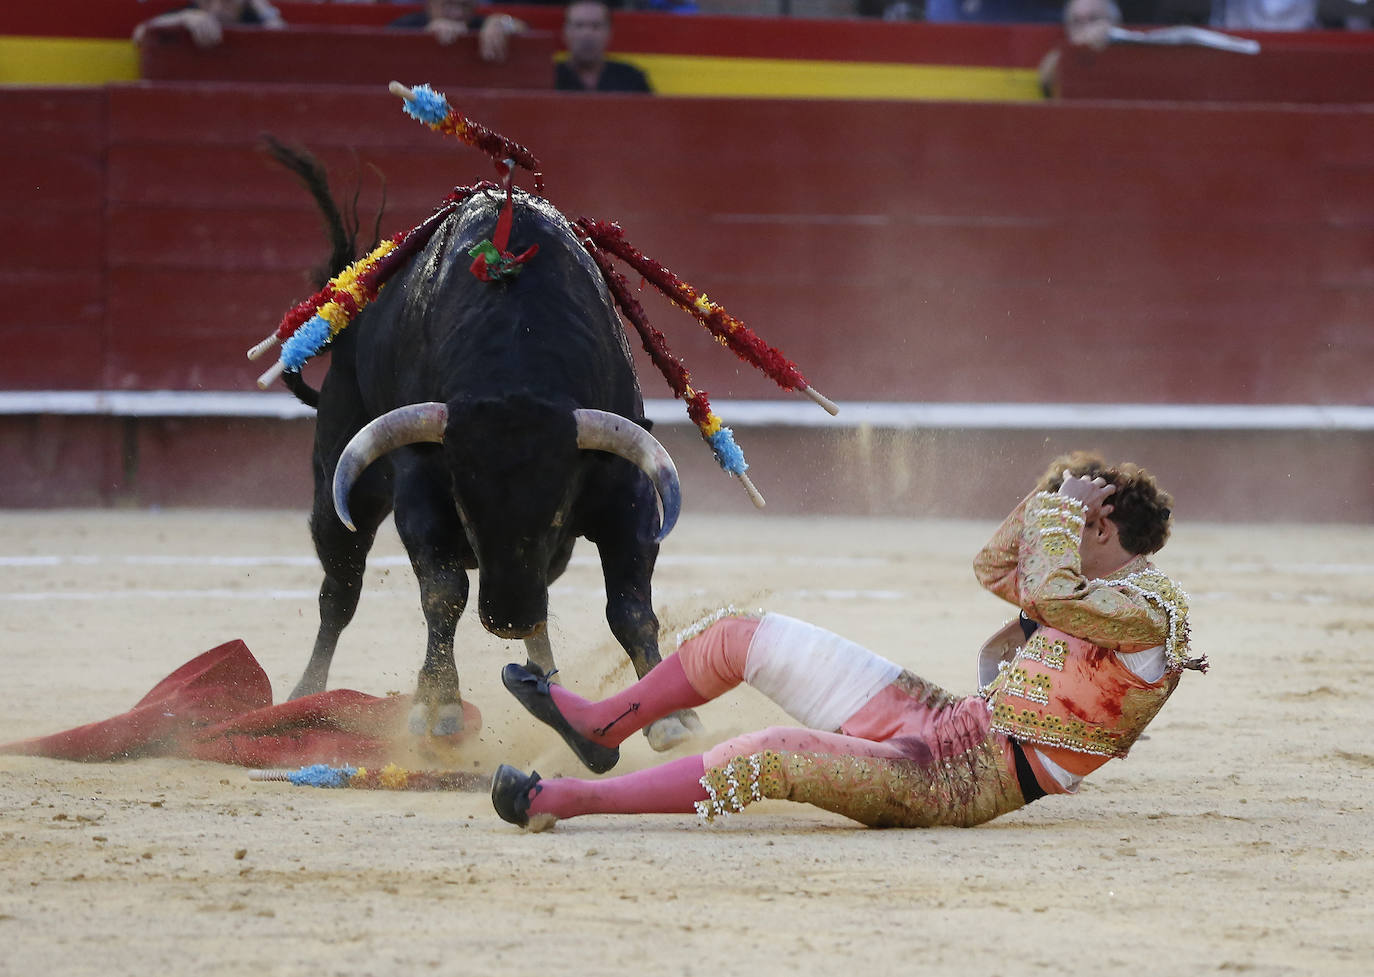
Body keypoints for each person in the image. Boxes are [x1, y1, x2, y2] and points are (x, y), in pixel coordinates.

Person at [491, 451, 1205, 831]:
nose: (1057, 536)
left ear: (1101, 533)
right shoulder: (1089, 595)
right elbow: (994, 566)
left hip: (956, 783)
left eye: (1075, 525)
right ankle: (602, 722)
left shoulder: (1148, 615)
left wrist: (1058, 518)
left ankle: (574, 797)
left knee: (767, 754)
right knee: (742, 635)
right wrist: (1051, 504)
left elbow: (1047, 591)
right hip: (946, 723)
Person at [555, 1, 652, 93]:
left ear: (609, 33)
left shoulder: (632, 78)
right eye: (579, 26)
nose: (587, 34)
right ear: (565, 33)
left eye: (596, 26)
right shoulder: (551, 77)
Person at [389, 0, 524, 63]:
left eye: (464, 6)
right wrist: (424, 36)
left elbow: (525, 28)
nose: (457, 13)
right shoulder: (406, 25)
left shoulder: (480, 24)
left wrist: (502, 23)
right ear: (430, 3)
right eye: (448, 5)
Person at [132, 0, 284, 48]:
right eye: (208, 0)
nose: (217, 9)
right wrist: (184, 17)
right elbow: (139, 35)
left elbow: (285, 43)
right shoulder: (189, 15)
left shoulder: (258, 19)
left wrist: (262, 9)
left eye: (227, 0)